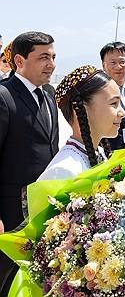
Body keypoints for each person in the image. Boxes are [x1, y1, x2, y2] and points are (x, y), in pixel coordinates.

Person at [0, 31, 59, 297]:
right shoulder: (4, 96)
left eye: (54, 57)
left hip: (42, 210)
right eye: (44, 57)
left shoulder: (48, 93)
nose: (51, 64)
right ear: (19, 61)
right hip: (10, 212)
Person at [38, 65, 125, 180]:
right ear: (80, 109)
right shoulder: (63, 170)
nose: (122, 112)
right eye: (114, 103)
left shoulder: (99, 153)